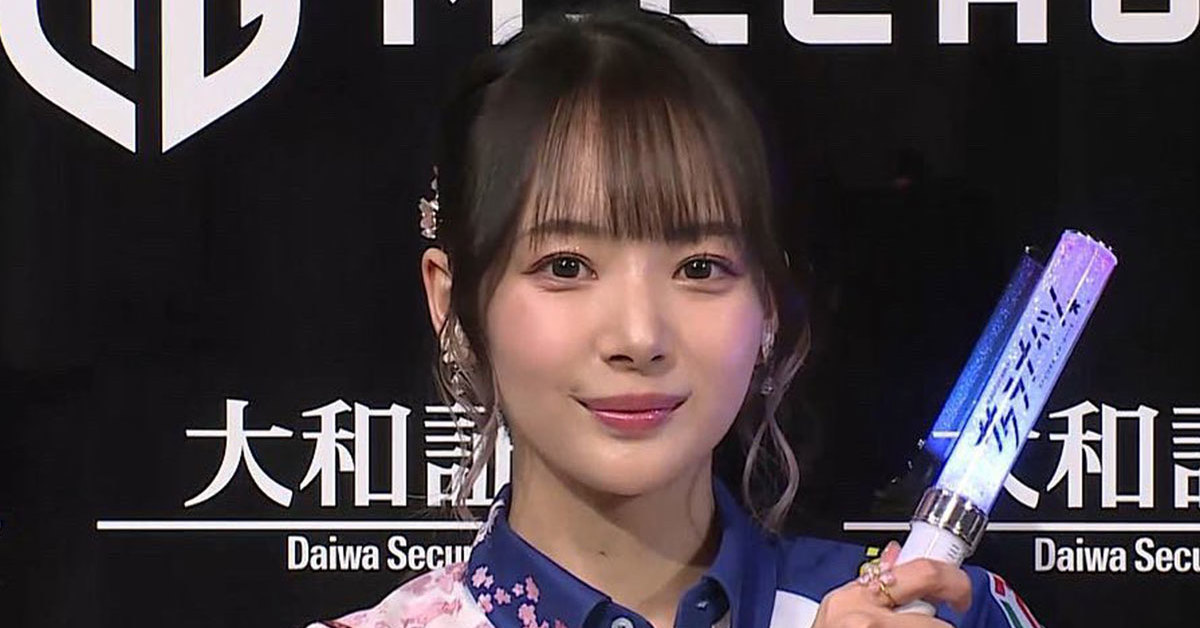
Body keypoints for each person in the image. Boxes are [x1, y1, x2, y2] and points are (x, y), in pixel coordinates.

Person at [310, 6, 1039, 628]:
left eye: (699, 268)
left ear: (769, 303)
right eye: (566, 266)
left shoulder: (916, 612)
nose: (638, 337)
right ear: (452, 301)